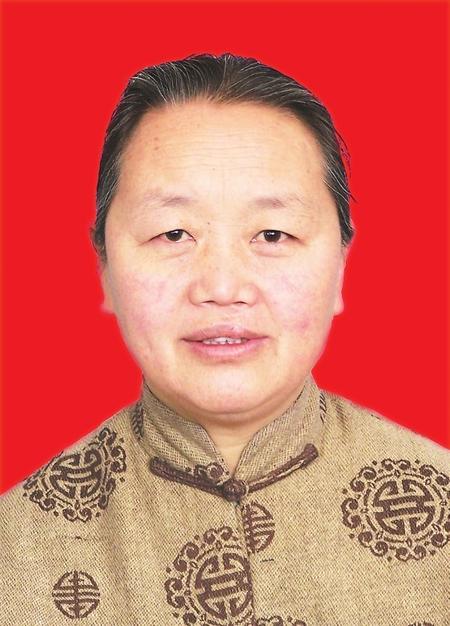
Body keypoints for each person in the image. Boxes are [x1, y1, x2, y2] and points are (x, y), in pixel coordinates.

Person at [1, 52, 448, 626]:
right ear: (104, 268)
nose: (221, 287)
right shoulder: (18, 549)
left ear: (341, 266)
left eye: (273, 234)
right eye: (173, 233)